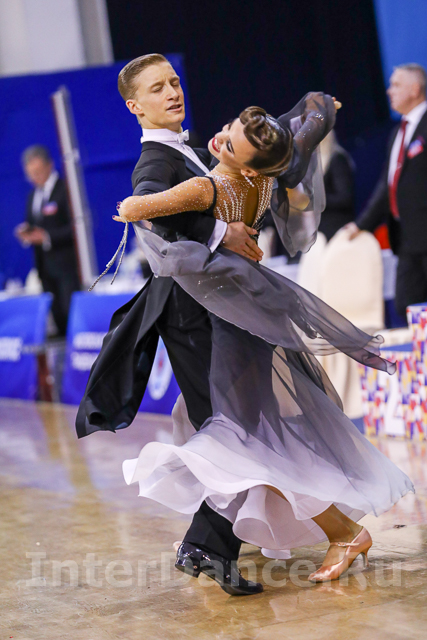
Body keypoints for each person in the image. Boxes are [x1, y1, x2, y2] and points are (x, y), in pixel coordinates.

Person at [115, 103, 413, 588]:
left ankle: (342, 532)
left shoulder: (209, 186)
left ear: (250, 166)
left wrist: (137, 210)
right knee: (230, 430)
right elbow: (299, 134)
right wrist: (319, 113)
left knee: (246, 440)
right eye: (228, 127)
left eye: (230, 143)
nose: (219, 139)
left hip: (234, 324)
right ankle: (215, 533)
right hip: (251, 312)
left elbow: (136, 208)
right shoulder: (267, 177)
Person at [346, 63, 427, 319]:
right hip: (406, 239)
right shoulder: (397, 134)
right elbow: (387, 186)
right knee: (407, 307)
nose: (389, 91)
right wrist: (360, 225)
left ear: (415, 89)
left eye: (396, 85)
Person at [15, 145, 80, 336]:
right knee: (57, 318)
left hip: (67, 268)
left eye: (38, 172)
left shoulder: (65, 190)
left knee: (70, 316)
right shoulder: (32, 196)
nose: (34, 178)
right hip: (45, 268)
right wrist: (27, 233)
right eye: (30, 174)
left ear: (49, 165)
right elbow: (34, 223)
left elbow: (76, 227)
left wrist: (46, 236)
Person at [318, 130, 355, 241]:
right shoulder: (313, 164)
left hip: (335, 231)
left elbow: (344, 198)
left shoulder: (337, 159)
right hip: (319, 232)